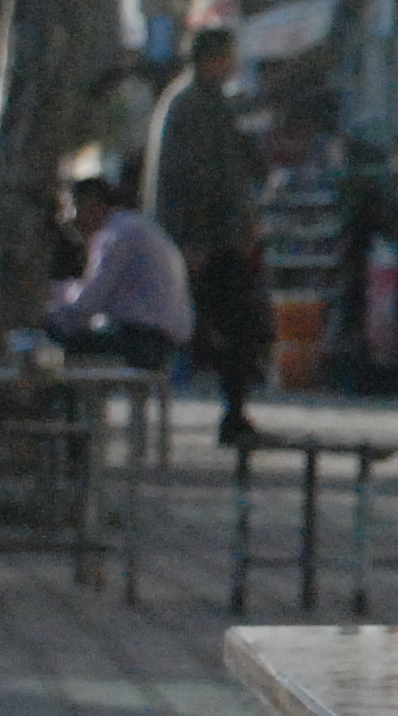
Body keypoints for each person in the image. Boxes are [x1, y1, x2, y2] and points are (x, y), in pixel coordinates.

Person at [146, 25, 266, 442]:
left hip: (219, 238)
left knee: (239, 327)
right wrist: (192, 240)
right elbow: (192, 178)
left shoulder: (210, 102)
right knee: (232, 325)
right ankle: (230, 415)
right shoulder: (191, 105)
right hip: (205, 241)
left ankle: (235, 411)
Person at [43, 174, 193, 371]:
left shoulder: (114, 236)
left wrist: (48, 311)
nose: (72, 218)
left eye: (75, 208)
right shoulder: (134, 227)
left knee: (50, 342)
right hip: (162, 339)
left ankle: (66, 392)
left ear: (93, 204)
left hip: (143, 340)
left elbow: (90, 303)